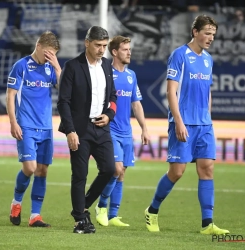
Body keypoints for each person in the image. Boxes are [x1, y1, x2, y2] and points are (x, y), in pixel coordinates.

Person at [144, 15, 230, 235]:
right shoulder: (179, 55)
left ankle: (207, 224)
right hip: (183, 123)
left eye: (213, 34)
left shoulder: (208, 59)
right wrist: (179, 121)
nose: (210, 38)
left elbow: (207, 90)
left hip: (204, 124)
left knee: (207, 169)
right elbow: (170, 91)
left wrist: (208, 117)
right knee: (177, 172)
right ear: (195, 32)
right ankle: (152, 210)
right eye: (207, 33)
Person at [57, 26, 117, 234]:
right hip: (80, 130)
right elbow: (63, 102)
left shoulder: (107, 66)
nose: (102, 50)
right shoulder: (72, 66)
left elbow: (113, 97)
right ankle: (80, 220)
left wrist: (109, 115)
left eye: (105, 46)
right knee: (80, 175)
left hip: (102, 129)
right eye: (98, 45)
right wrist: (70, 131)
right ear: (87, 43)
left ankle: (83, 207)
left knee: (111, 169)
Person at [6, 31, 61, 227]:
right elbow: (11, 95)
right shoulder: (21, 66)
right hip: (26, 125)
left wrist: (57, 67)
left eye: (53, 54)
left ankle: (35, 216)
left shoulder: (50, 68)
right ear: (38, 46)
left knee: (42, 170)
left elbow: (64, 92)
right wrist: (13, 122)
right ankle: (16, 202)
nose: (49, 57)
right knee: (30, 167)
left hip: (46, 127)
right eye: (47, 53)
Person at [95, 36, 150, 227]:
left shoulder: (131, 75)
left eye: (129, 49)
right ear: (115, 52)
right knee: (116, 169)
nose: (129, 52)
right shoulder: (104, 73)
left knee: (122, 173)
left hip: (127, 131)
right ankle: (101, 206)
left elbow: (136, 104)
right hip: (109, 130)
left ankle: (113, 215)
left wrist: (144, 128)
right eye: (125, 49)